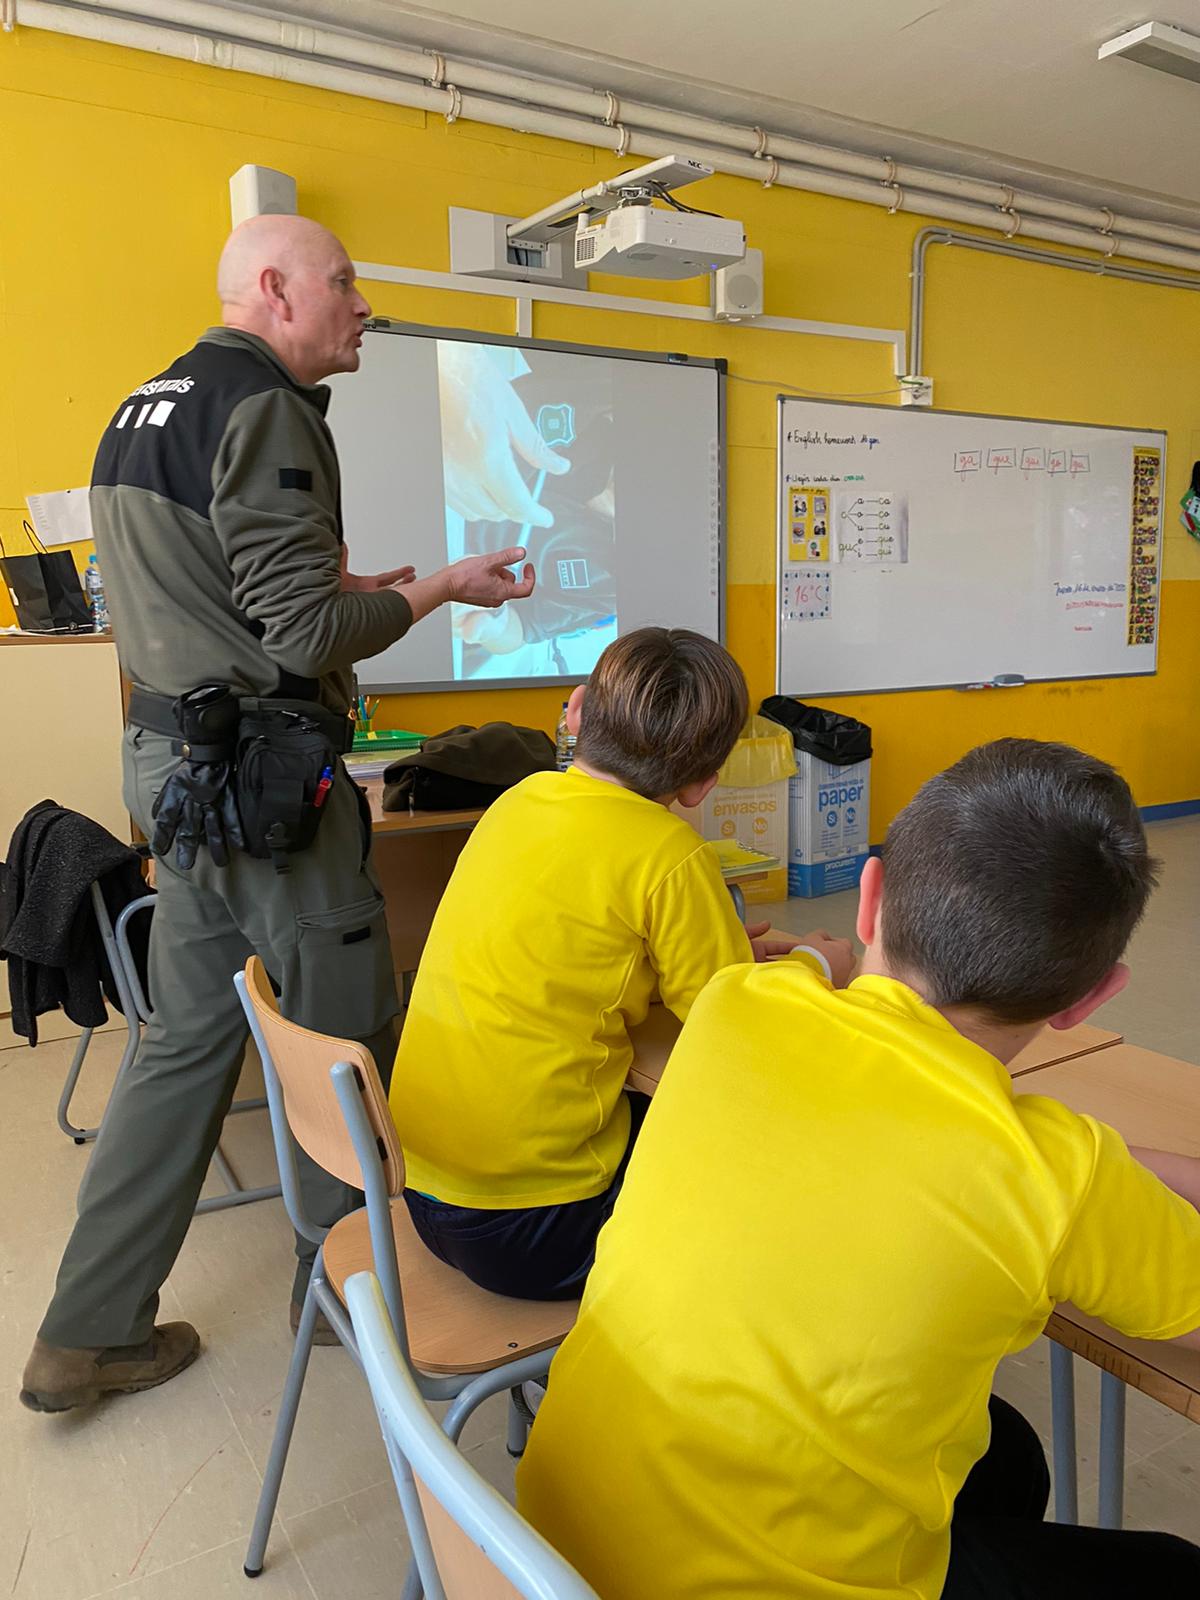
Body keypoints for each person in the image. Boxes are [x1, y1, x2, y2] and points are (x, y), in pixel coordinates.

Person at [20, 214, 538, 1415]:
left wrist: (344, 584)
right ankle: (384, 1299)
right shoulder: (270, 409)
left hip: (174, 769)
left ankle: (85, 1333)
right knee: (355, 1034)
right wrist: (436, 588)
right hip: (264, 794)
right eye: (343, 282)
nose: (364, 304)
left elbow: (211, 592)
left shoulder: (144, 406)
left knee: (183, 1041)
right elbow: (301, 636)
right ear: (274, 289)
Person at [517, 738, 1200, 1598]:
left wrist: (1131, 1169)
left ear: (869, 899)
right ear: (1088, 1000)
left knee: (1007, 1455)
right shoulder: (1056, 1176)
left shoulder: (737, 1003)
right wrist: (1112, 1177)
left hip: (549, 1552)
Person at [388, 627, 854, 1301]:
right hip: (538, 1227)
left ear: (576, 711)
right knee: (763, 1149)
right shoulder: (671, 854)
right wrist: (816, 962)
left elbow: (578, 947)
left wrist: (708, 952)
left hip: (419, 1190)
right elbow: (734, 1025)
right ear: (703, 785)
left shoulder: (514, 802)